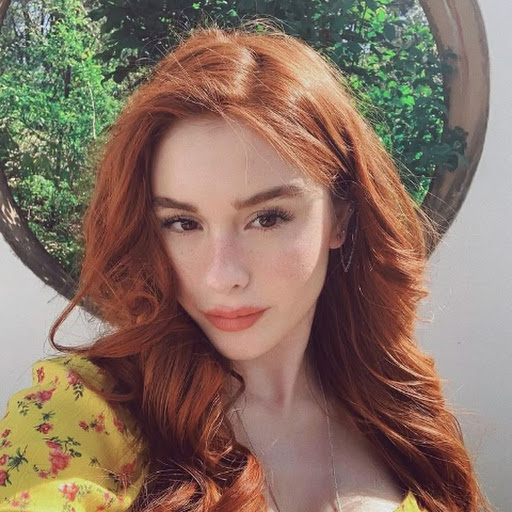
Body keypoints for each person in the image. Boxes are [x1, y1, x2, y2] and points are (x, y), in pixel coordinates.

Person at [0, 20, 491, 512]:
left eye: (267, 218)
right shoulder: (81, 413)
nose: (223, 276)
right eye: (182, 223)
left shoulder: (401, 409)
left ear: (340, 216)